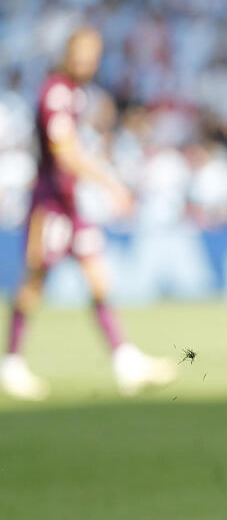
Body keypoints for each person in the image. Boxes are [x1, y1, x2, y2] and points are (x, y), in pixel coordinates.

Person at [2, 26, 176, 400]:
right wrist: (110, 183)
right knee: (33, 282)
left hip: (70, 205)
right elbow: (65, 153)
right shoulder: (55, 93)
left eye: (92, 55)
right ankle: (12, 363)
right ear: (67, 53)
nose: (86, 61)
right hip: (50, 205)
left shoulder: (75, 94)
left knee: (99, 280)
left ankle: (125, 362)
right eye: (81, 53)